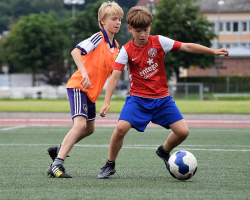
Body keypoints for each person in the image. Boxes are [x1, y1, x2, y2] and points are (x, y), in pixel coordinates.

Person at [97, 6, 229, 179]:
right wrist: (107, 101)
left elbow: (187, 47)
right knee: (120, 129)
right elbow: (114, 77)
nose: (143, 34)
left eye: (146, 29)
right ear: (130, 29)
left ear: (150, 27)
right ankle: (110, 164)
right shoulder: (127, 50)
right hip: (138, 100)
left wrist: (213, 51)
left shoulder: (159, 41)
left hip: (162, 100)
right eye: (138, 31)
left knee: (183, 132)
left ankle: (163, 150)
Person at [46, 1, 124, 178]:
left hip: (91, 93)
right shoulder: (98, 38)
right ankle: (57, 164)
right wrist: (84, 73)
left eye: (120, 19)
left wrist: (107, 101)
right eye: (114, 18)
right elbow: (75, 52)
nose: (118, 22)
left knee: (89, 129)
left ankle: (60, 148)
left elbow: (113, 74)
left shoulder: (116, 47)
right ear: (103, 21)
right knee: (80, 125)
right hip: (78, 86)